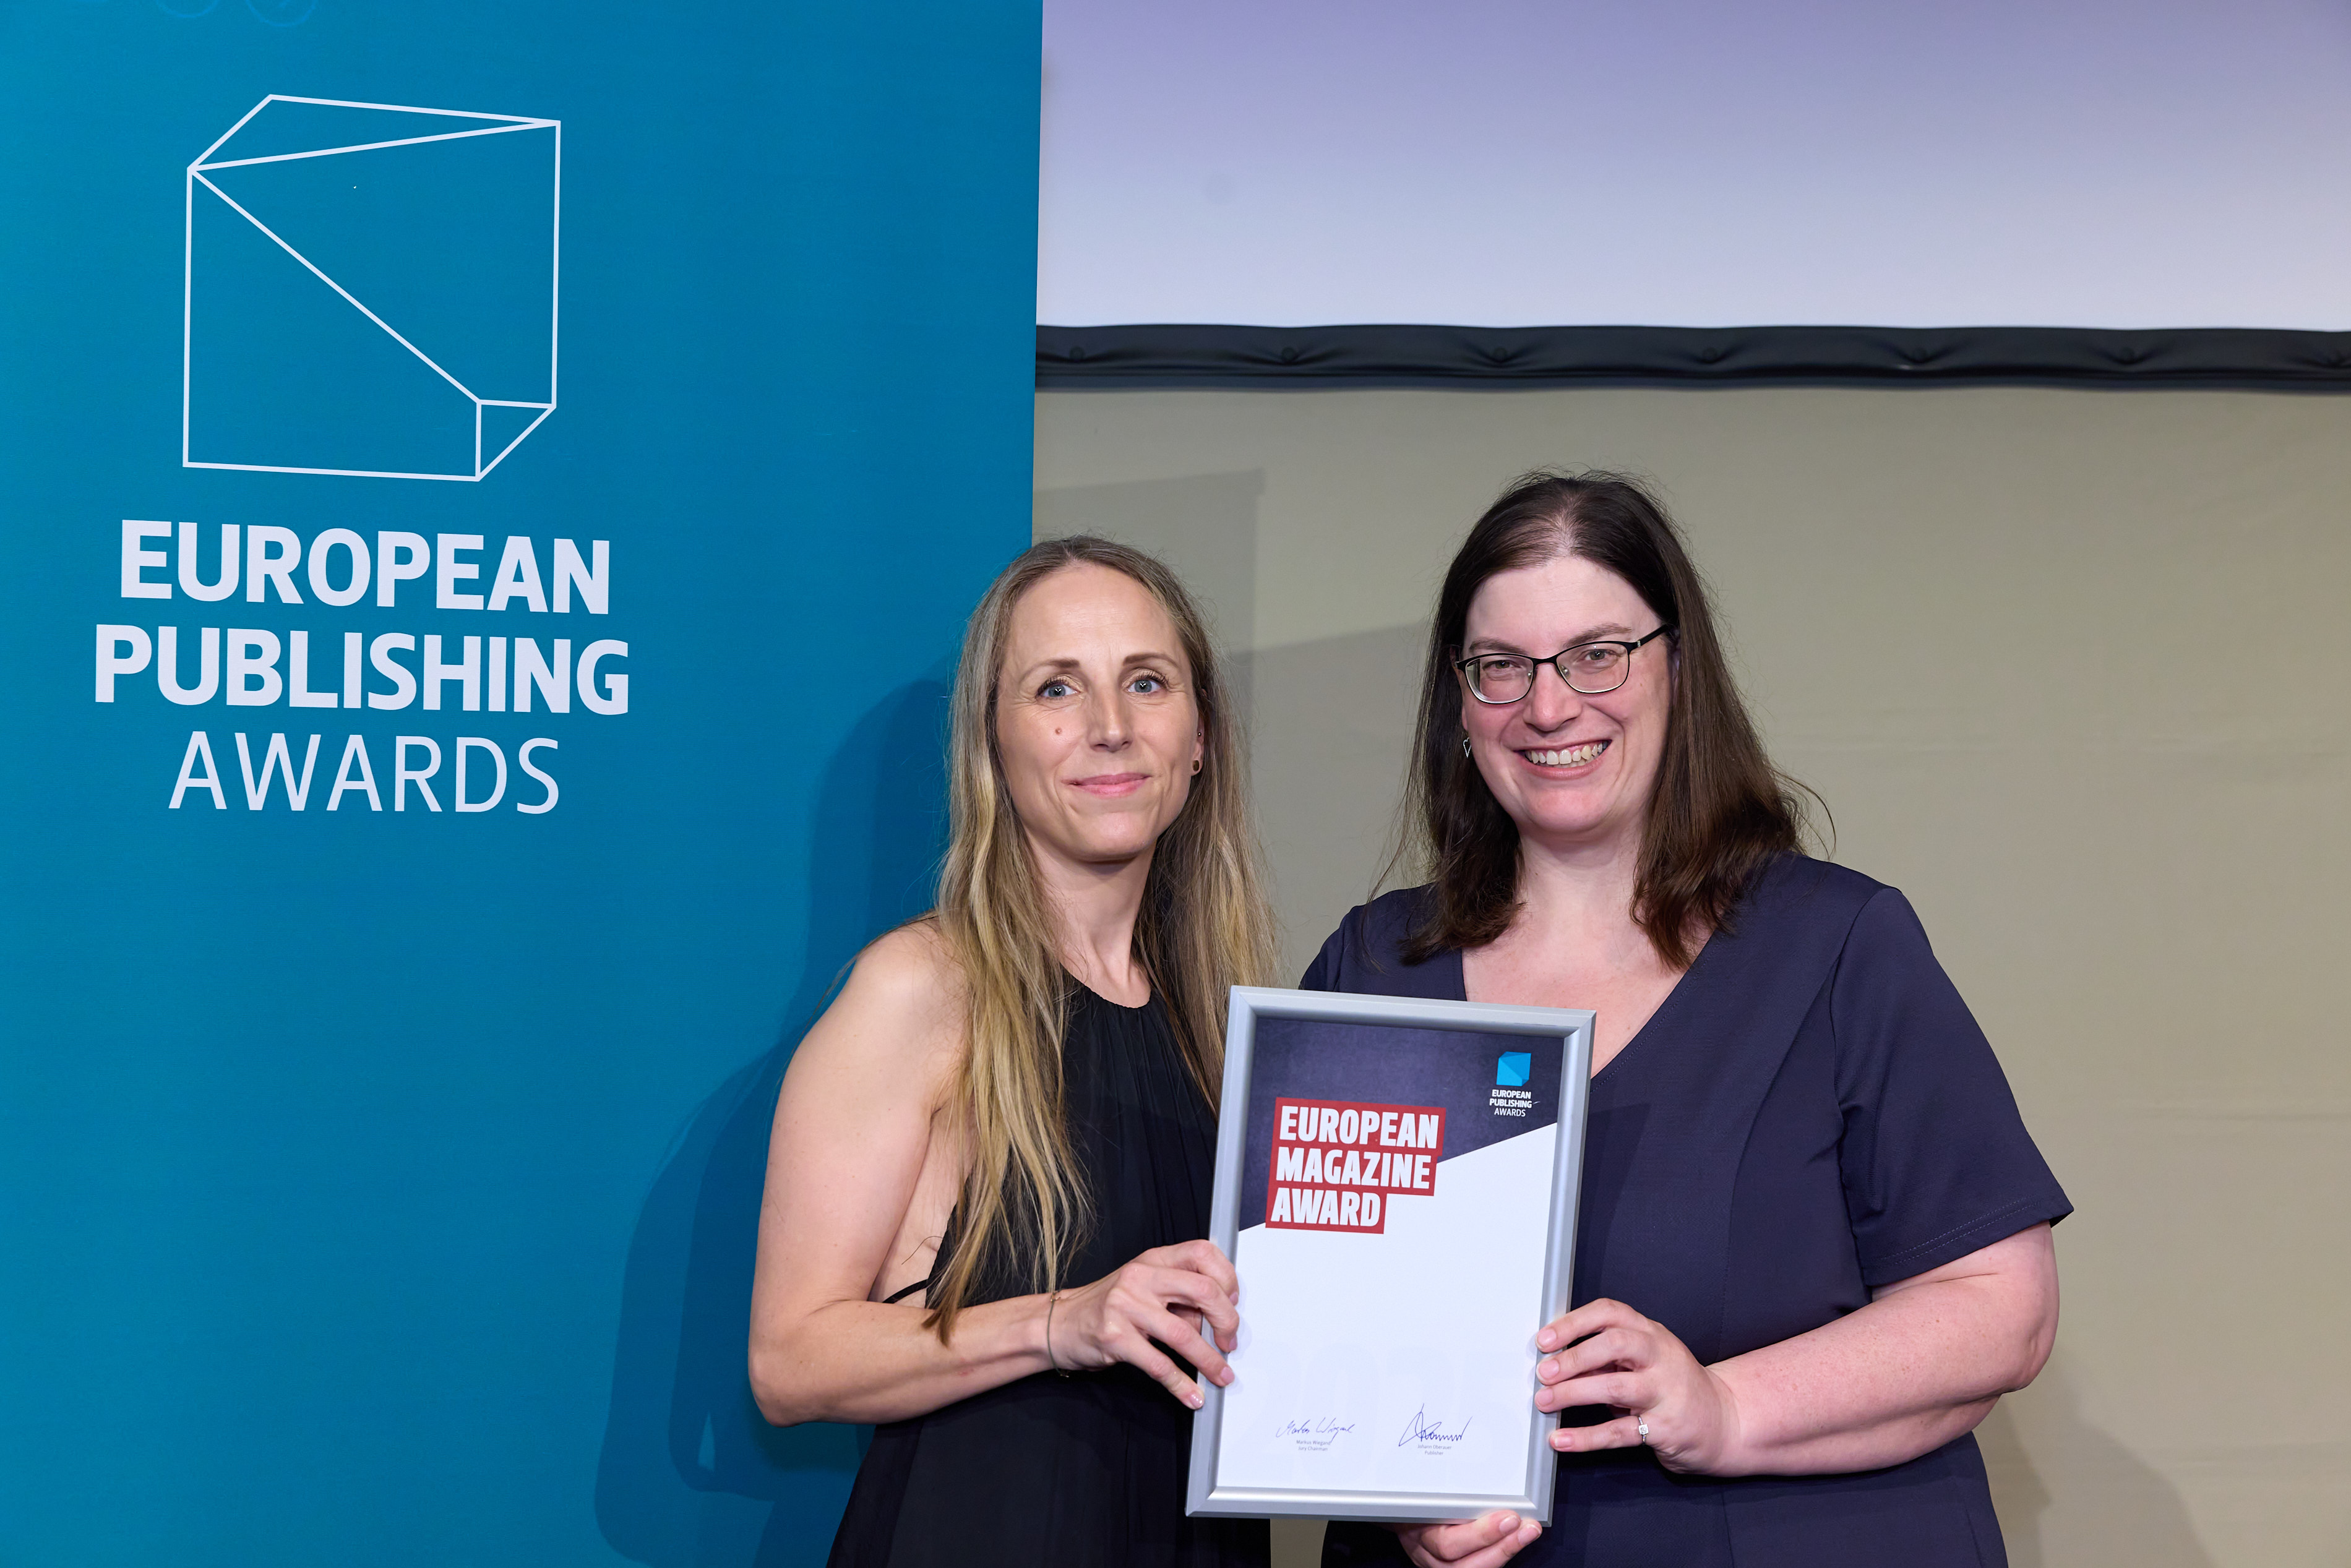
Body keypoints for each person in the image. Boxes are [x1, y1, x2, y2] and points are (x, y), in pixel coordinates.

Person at [1308, 473, 2069, 1568]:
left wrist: (1725, 1407)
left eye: (1597, 654)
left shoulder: (1838, 948)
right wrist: (1394, 1494)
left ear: (1677, 669)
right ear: (1459, 704)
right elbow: (1301, 1326)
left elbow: (2002, 1307)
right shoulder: (1374, 969)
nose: (1549, 706)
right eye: (1502, 666)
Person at [749, 536, 1278, 1567]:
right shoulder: (922, 989)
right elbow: (789, 1358)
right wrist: (1060, 1323)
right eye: (1056, 689)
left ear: (1201, 736)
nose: (1112, 727)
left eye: (1147, 682)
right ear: (993, 742)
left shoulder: (1222, 1026)